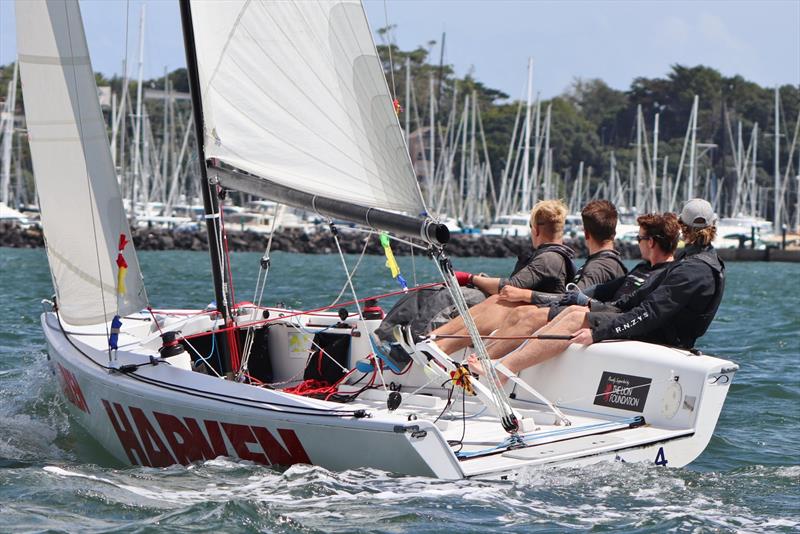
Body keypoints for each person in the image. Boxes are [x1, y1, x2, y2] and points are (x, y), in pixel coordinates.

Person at [472, 199, 724, 380]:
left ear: (683, 228)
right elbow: (639, 299)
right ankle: (494, 363)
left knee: (575, 320)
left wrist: (600, 331)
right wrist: (593, 306)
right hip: (655, 327)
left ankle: (501, 371)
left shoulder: (693, 269)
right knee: (573, 314)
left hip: (664, 338)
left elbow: (649, 313)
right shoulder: (692, 261)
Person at [476, 211, 680, 361]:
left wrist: (530, 296)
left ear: (651, 242)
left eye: (639, 238)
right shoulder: (641, 268)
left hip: (616, 322)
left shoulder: (664, 275)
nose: (637, 243)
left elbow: (632, 309)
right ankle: (483, 358)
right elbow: (588, 293)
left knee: (533, 315)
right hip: (604, 313)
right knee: (526, 312)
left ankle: (490, 364)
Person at [433, 199, 626, 355]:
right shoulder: (603, 264)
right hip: (576, 317)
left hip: (567, 321)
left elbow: (575, 302)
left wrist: (526, 296)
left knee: (505, 303)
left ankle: (443, 346)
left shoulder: (595, 267)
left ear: (585, 233)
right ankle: (436, 340)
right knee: (501, 300)